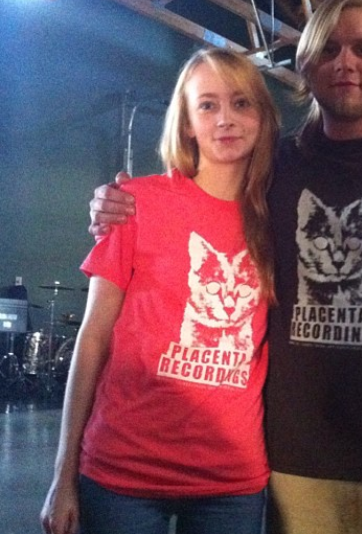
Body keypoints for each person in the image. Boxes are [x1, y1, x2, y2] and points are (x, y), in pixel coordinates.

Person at [89, 0, 362, 534]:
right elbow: (196, 199)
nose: (346, 62)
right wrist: (116, 203)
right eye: (329, 50)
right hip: (295, 467)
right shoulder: (269, 170)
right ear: (306, 68)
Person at [42, 47, 280, 534]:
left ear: (261, 116)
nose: (226, 119)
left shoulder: (277, 219)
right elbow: (92, 338)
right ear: (187, 123)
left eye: (241, 103)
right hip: (122, 474)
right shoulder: (136, 204)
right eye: (207, 105)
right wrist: (63, 475)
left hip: (230, 480)